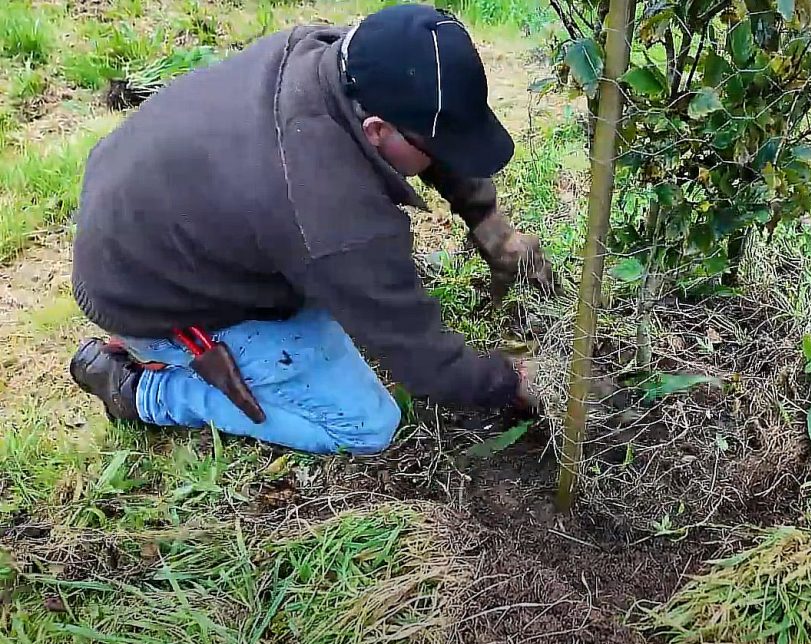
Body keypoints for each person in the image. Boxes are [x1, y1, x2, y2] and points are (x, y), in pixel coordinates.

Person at [68, 3, 553, 455]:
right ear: (377, 131)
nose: (449, 154)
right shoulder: (330, 211)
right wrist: (515, 382)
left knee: (354, 276)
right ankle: (142, 389)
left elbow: (429, 129)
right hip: (144, 296)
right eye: (439, 144)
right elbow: (427, 363)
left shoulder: (342, 59)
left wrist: (490, 225)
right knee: (367, 425)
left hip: (142, 215)